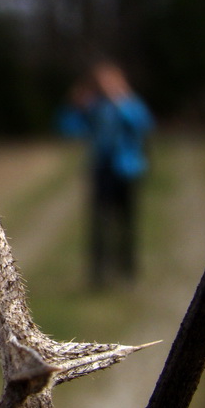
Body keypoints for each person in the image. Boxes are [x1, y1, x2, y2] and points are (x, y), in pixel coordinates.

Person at [58, 61, 154, 287]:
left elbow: (144, 123)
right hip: (101, 169)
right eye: (101, 82)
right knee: (99, 223)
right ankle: (98, 273)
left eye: (110, 81)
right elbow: (68, 128)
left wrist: (120, 101)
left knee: (126, 222)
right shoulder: (94, 107)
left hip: (127, 169)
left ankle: (127, 269)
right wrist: (75, 106)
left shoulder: (129, 103)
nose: (105, 86)